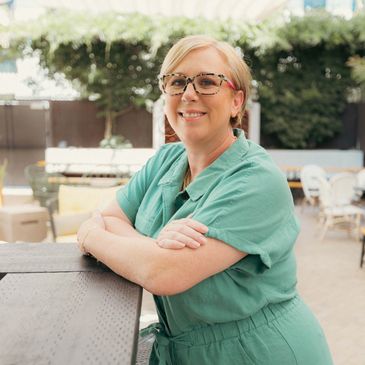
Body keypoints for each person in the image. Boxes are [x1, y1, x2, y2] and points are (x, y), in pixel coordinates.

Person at [77, 35, 333, 365]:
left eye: (207, 82)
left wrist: (90, 235)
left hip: (259, 352)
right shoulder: (166, 160)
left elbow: (164, 274)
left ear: (236, 101)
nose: (188, 93)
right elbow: (113, 217)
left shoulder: (257, 179)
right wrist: (154, 248)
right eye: (176, 81)